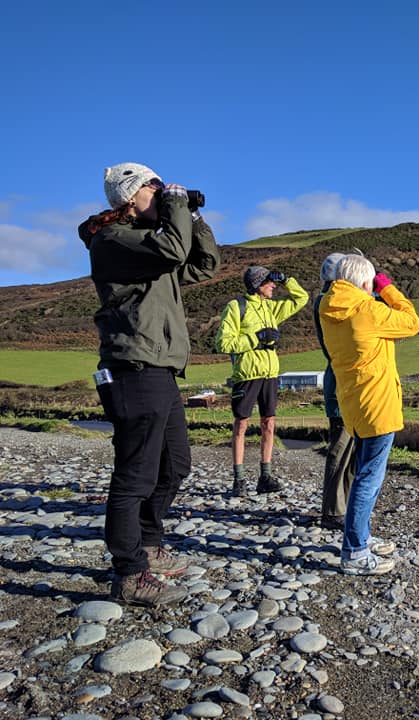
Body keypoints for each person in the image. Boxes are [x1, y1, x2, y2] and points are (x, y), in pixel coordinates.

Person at [79, 162, 221, 606]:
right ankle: (129, 572)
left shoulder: (148, 246)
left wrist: (193, 216)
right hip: (133, 368)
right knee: (135, 475)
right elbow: (174, 251)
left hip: (159, 368)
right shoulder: (113, 240)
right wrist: (176, 206)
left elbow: (203, 263)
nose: (161, 192)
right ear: (129, 196)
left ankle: (149, 543)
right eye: (154, 187)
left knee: (174, 465)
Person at [319, 254, 419, 575]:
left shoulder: (328, 308)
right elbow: (412, 322)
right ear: (366, 283)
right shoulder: (369, 310)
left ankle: (360, 535)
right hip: (378, 404)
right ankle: (355, 551)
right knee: (368, 478)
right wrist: (387, 288)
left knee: (364, 472)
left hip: (353, 402)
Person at [216, 264, 308, 496]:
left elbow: (301, 298)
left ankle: (264, 476)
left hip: (269, 374)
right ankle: (238, 480)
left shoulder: (271, 308)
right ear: (258, 285)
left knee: (269, 424)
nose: (274, 286)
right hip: (246, 375)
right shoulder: (236, 307)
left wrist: (287, 278)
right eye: (270, 282)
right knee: (241, 425)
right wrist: (255, 339)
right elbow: (223, 343)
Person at [313, 252, 355, 530]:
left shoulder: (325, 301)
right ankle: (332, 510)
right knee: (340, 448)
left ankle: (344, 506)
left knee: (349, 449)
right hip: (341, 384)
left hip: (342, 382)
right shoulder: (329, 304)